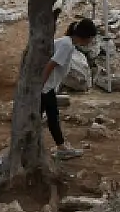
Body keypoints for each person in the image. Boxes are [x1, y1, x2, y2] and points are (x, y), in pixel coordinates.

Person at [42, 18, 98, 161]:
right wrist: (40, 86)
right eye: (91, 38)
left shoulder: (68, 43)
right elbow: (51, 65)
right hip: (44, 88)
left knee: (51, 117)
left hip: (47, 88)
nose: (91, 41)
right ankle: (60, 148)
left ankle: (61, 147)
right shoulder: (66, 45)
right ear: (85, 36)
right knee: (51, 117)